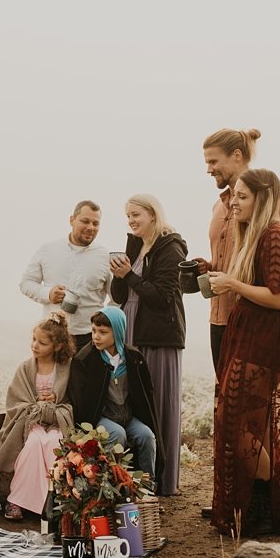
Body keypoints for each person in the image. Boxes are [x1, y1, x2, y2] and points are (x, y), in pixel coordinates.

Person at [204, 168, 280, 536]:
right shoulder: (256, 234)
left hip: (266, 336)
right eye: (234, 197)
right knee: (246, 424)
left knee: (238, 422)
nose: (234, 203)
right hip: (250, 333)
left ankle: (264, 505)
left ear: (262, 199)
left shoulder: (276, 235)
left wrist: (233, 283)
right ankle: (258, 507)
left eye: (242, 197)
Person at [197, 128, 280, 375]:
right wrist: (209, 267)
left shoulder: (275, 201)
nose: (209, 169)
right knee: (226, 406)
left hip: (254, 321)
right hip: (218, 319)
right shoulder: (219, 206)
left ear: (237, 155)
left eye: (214, 161)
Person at [109, 193, 189, 496]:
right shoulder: (134, 244)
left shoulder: (171, 246)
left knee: (156, 404)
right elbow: (120, 293)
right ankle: (132, 478)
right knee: (131, 402)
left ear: (153, 215)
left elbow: (162, 296)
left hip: (156, 335)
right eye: (128, 215)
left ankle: (162, 479)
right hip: (129, 329)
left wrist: (129, 275)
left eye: (136, 215)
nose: (130, 220)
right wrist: (119, 274)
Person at [0, 316, 76, 521]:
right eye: (33, 339)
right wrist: (37, 405)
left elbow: (74, 400)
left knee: (54, 443)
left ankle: (55, 500)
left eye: (42, 342)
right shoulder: (25, 368)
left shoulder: (68, 368)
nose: (35, 345)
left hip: (57, 421)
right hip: (30, 422)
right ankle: (17, 500)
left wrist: (56, 400)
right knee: (34, 443)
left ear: (58, 345)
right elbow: (15, 401)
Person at [65, 308, 160, 475]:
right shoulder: (85, 359)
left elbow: (146, 395)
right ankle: (116, 484)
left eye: (103, 332)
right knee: (117, 434)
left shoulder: (133, 358)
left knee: (147, 436)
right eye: (93, 330)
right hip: (103, 418)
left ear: (117, 332)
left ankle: (147, 486)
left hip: (128, 416)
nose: (96, 336)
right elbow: (81, 401)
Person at [22, 201, 114, 350]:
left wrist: (103, 321)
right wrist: (48, 293)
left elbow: (116, 299)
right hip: (51, 334)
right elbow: (26, 283)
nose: (91, 227)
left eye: (96, 223)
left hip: (89, 338)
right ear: (72, 220)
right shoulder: (47, 250)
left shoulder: (105, 257)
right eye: (85, 221)